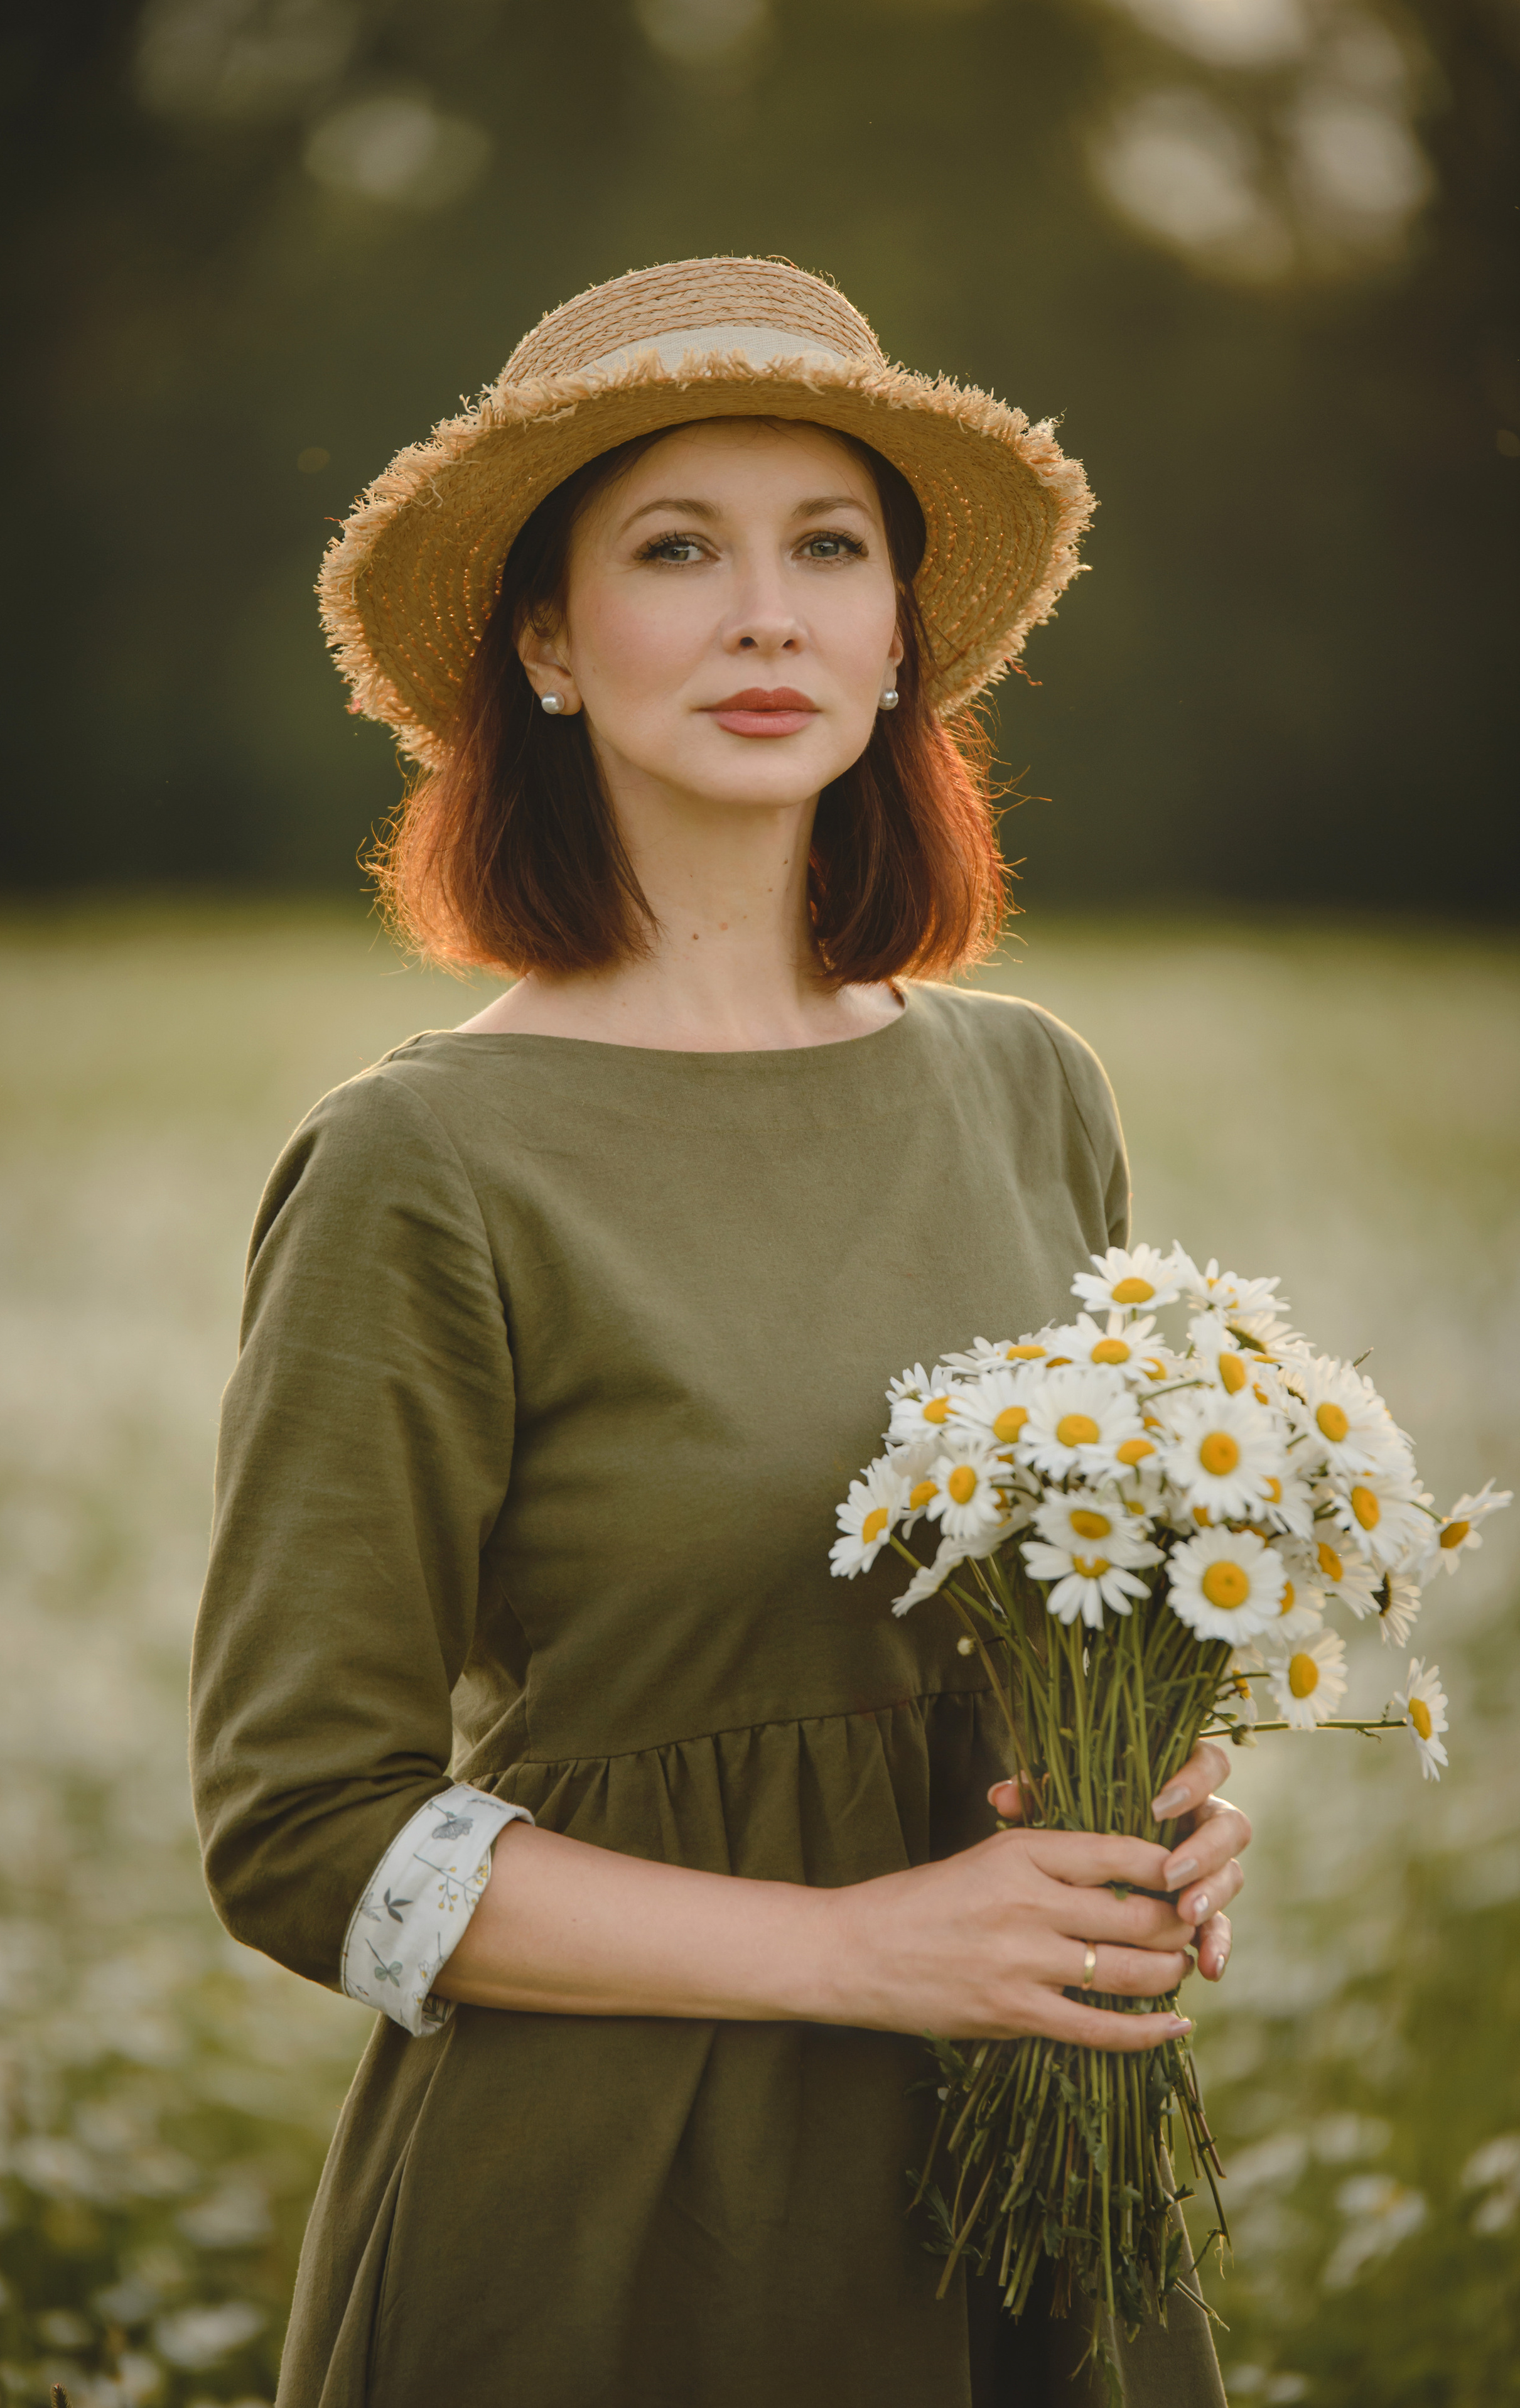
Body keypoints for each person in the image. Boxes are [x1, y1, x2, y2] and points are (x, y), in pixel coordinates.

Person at [190, 256, 1246, 2406]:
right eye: (678, 548)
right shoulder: (426, 1161)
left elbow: (1087, 1616)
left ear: (895, 637)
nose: (769, 613)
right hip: (619, 2233)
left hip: (1041, 2197)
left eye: (828, 547)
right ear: (551, 647)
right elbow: (306, 1828)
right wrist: (860, 1949)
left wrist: (1168, 1790)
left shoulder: (1034, 1089)